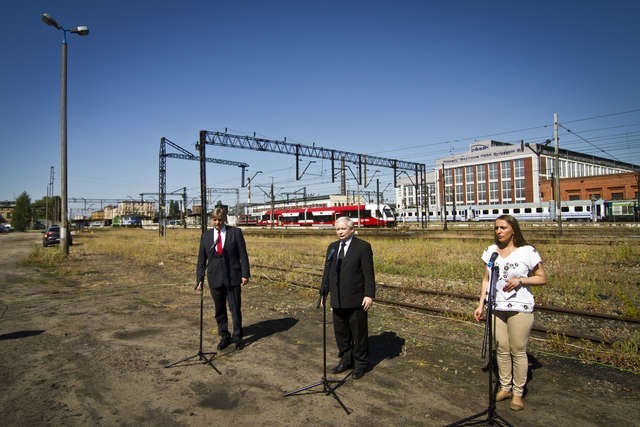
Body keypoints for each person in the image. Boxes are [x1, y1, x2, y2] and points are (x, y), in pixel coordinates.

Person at [473, 214, 547, 411]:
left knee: (518, 349)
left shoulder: (527, 251)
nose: (498, 231)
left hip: (520, 308)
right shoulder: (491, 252)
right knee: (502, 348)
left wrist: (521, 280)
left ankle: (517, 392)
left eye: (503, 228)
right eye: (496, 228)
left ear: (513, 229)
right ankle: (505, 387)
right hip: (497, 307)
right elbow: (486, 280)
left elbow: (541, 278)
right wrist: (481, 304)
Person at [319, 216, 375, 380]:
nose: (340, 232)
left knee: (358, 333)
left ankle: (360, 364)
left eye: (343, 229)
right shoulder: (332, 248)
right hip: (337, 299)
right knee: (341, 333)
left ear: (352, 229)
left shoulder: (362, 247)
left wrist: (369, 294)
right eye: (337, 229)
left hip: (356, 298)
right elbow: (327, 272)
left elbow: (368, 273)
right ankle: (346, 359)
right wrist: (324, 293)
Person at [196, 207, 251, 350]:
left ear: (224, 219)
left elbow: (243, 256)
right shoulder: (206, 236)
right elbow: (201, 260)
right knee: (219, 310)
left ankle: (238, 336)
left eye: (220, 220)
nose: (217, 223)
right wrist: (199, 279)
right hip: (215, 278)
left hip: (233, 277)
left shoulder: (235, 233)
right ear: (211, 220)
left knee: (235, 309)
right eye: (214, 220)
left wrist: (245, 274)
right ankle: (224, 335)